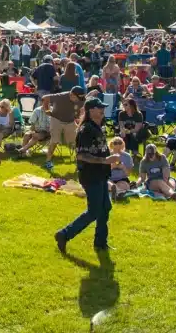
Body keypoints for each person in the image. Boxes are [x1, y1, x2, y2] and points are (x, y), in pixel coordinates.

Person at [56, 98, 116, 253]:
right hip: (91, 175)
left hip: (101, 174)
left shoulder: (98, 126)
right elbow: (81, 155)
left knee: (105, 208)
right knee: (94, 211)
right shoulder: (86, 129)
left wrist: (108, 160)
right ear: (91, 111)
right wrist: (104, 160)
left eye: (103, 107)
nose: (103, 110)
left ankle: (100, 242)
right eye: (99, 108)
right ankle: (64, 234)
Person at [42, 86, 83, 172]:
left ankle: (79, 162)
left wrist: (77, 116)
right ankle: (48, 161)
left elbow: (81, 107)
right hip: (56, 119)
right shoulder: (60, 96)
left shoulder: (81, 99)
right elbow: (45, 98)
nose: (79, 100)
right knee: (55, 140)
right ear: (71, 95)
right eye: (78, 98)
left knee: (75, 142)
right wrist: (46, 110)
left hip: (70, 121)